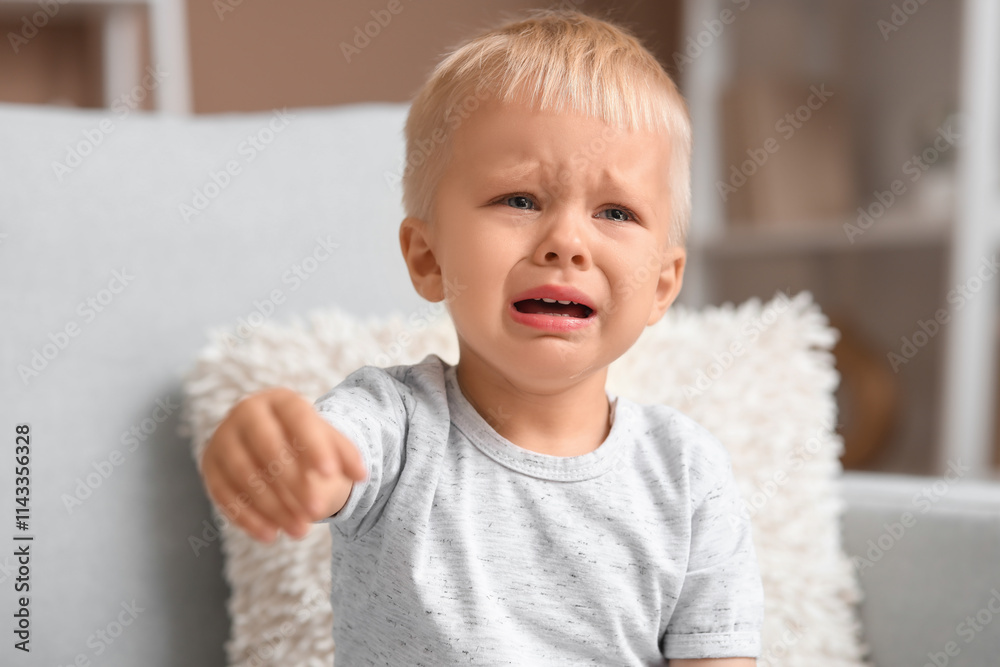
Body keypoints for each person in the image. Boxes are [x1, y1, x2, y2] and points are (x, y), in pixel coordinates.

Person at [198, 7, 764, 665]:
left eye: (615, 211)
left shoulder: (687, 473)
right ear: (428, 258)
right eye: (520, 200)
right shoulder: (392, 426)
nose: (566, 242)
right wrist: (272, 450)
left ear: (663, 284)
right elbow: (321, 462)